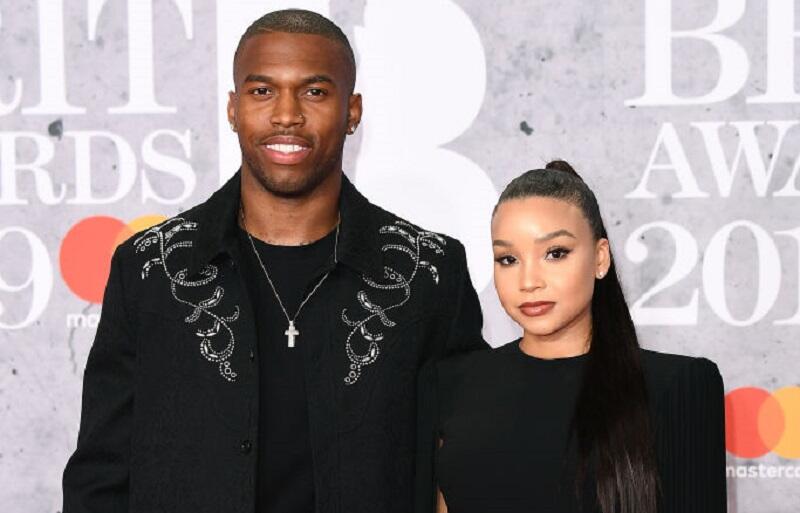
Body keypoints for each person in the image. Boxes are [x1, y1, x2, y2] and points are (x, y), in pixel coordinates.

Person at [62, 9, 486, 513]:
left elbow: (473, 461)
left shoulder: (427, 273)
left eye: (315, 91)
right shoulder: (151, 269)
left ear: (352, 112)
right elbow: (100, 476)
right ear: (233, 109)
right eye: (263, 91)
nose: (287, 114)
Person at [433, 161, 726, 513]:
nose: (529, 281)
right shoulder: (452, 384)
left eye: (555, 253)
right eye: (508, 259)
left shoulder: (678, 385)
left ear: (600, 258)